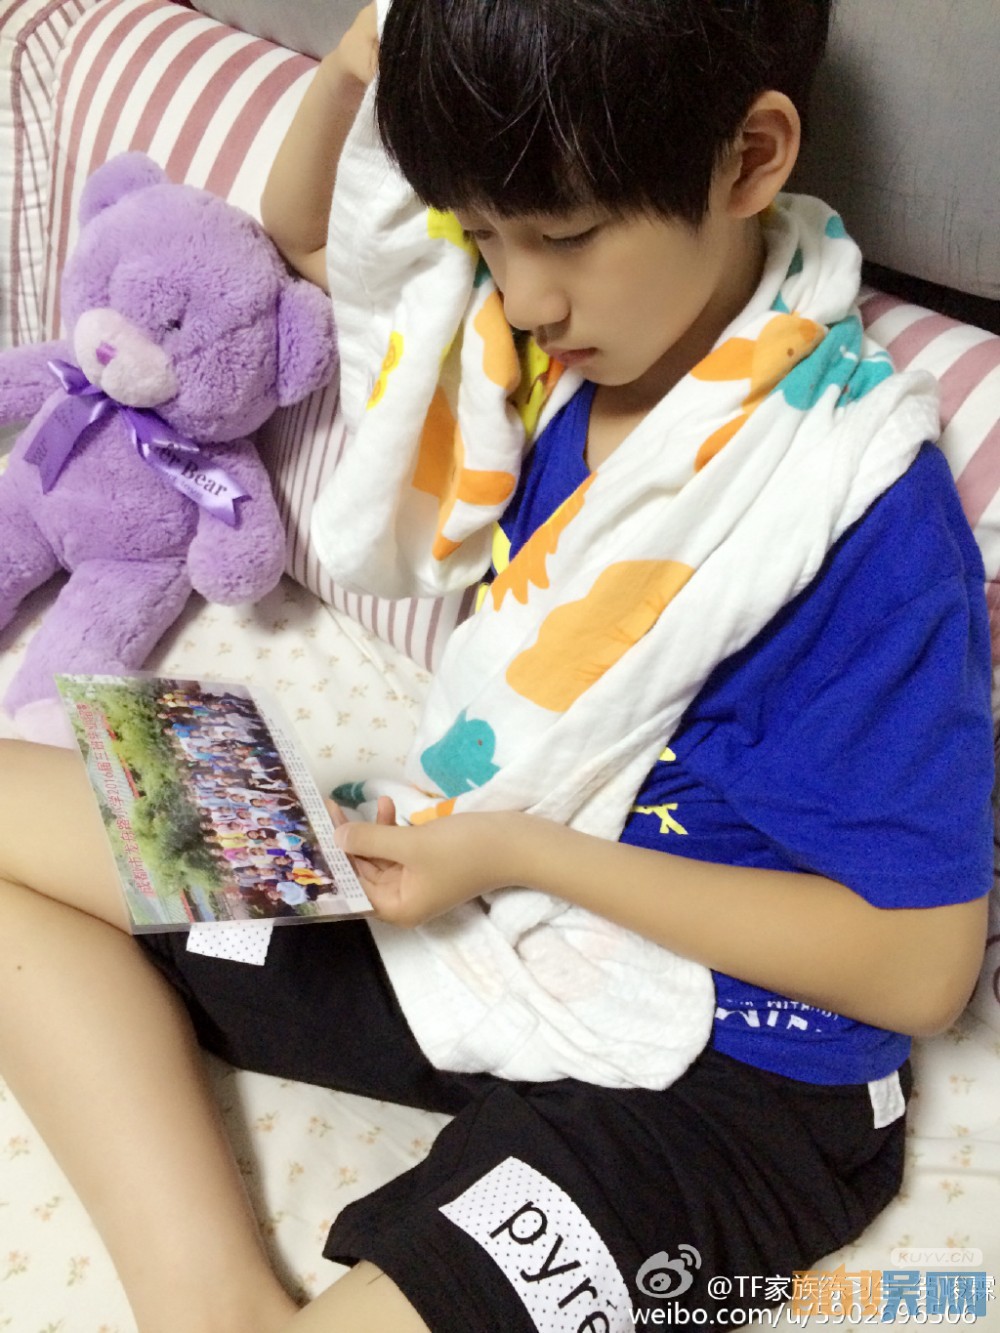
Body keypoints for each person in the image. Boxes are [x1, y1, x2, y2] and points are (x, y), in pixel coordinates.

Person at [0, 3, 993, 1332]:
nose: (524, 295)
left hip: (737, 1071)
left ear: (751, 158)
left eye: (564, 236)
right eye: (483, 234)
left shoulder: (855, 502)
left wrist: (521, 852)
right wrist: (353, 71)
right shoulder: (524, 346)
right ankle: (208, 1298)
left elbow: (922, 967)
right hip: (463, 886)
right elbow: (307, 236)